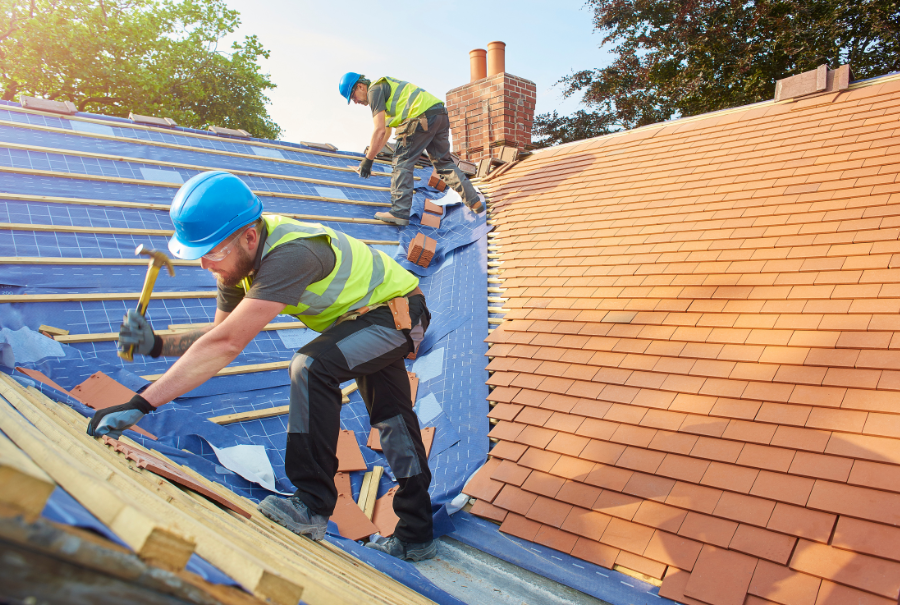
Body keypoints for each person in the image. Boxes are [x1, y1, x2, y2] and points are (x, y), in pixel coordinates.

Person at [87, 170, 437, 561]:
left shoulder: (292, 255)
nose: (205, 264)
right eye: (198, 254)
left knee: (310, 367)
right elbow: (219, 336)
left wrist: (140, 404)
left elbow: (225, 345)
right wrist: (157, 345)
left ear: (249, 237)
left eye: (213, 252)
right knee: (392, 420)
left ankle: (311, 504)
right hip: (363, 319)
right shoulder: (235, 264)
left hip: (398, 313)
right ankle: (417, 533)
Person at [338, 72, 484, 226]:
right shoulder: (386, 93)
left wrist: (367, 161)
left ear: (360, 86)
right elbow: (385, 133)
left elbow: (379, 130)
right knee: (444, 164)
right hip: (439, 115)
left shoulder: (374, 91)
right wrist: (371, 158)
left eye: (353, 96)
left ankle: (399, 212)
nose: (355, 102)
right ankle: (474, 202)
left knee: (402, 162)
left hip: (420, 117)